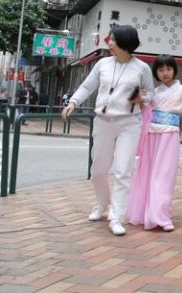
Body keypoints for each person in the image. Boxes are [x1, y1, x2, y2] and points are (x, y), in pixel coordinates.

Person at [61, 25, 155, 236]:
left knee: (123, 171)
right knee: (98, 170)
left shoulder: (142, 68)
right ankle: (101, 204)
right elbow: (87, 86)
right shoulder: (102, 64)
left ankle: (116, 216)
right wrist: (73, 103)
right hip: (103, 122)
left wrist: (143, 98)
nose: (109, 42)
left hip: (129, 123)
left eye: (112, 40)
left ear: (124, 43)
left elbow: (151, 94)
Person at [127, 55, 182, 232]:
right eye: (161, 70)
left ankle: (161, 217)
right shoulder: (153, 93)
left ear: (174, 70)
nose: (165, 73)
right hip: (151, 137)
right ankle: (145, 214)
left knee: (164, 176)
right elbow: (142, 111)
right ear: (155, 72)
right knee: (147, 175)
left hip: (169, 137)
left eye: (168, 69)